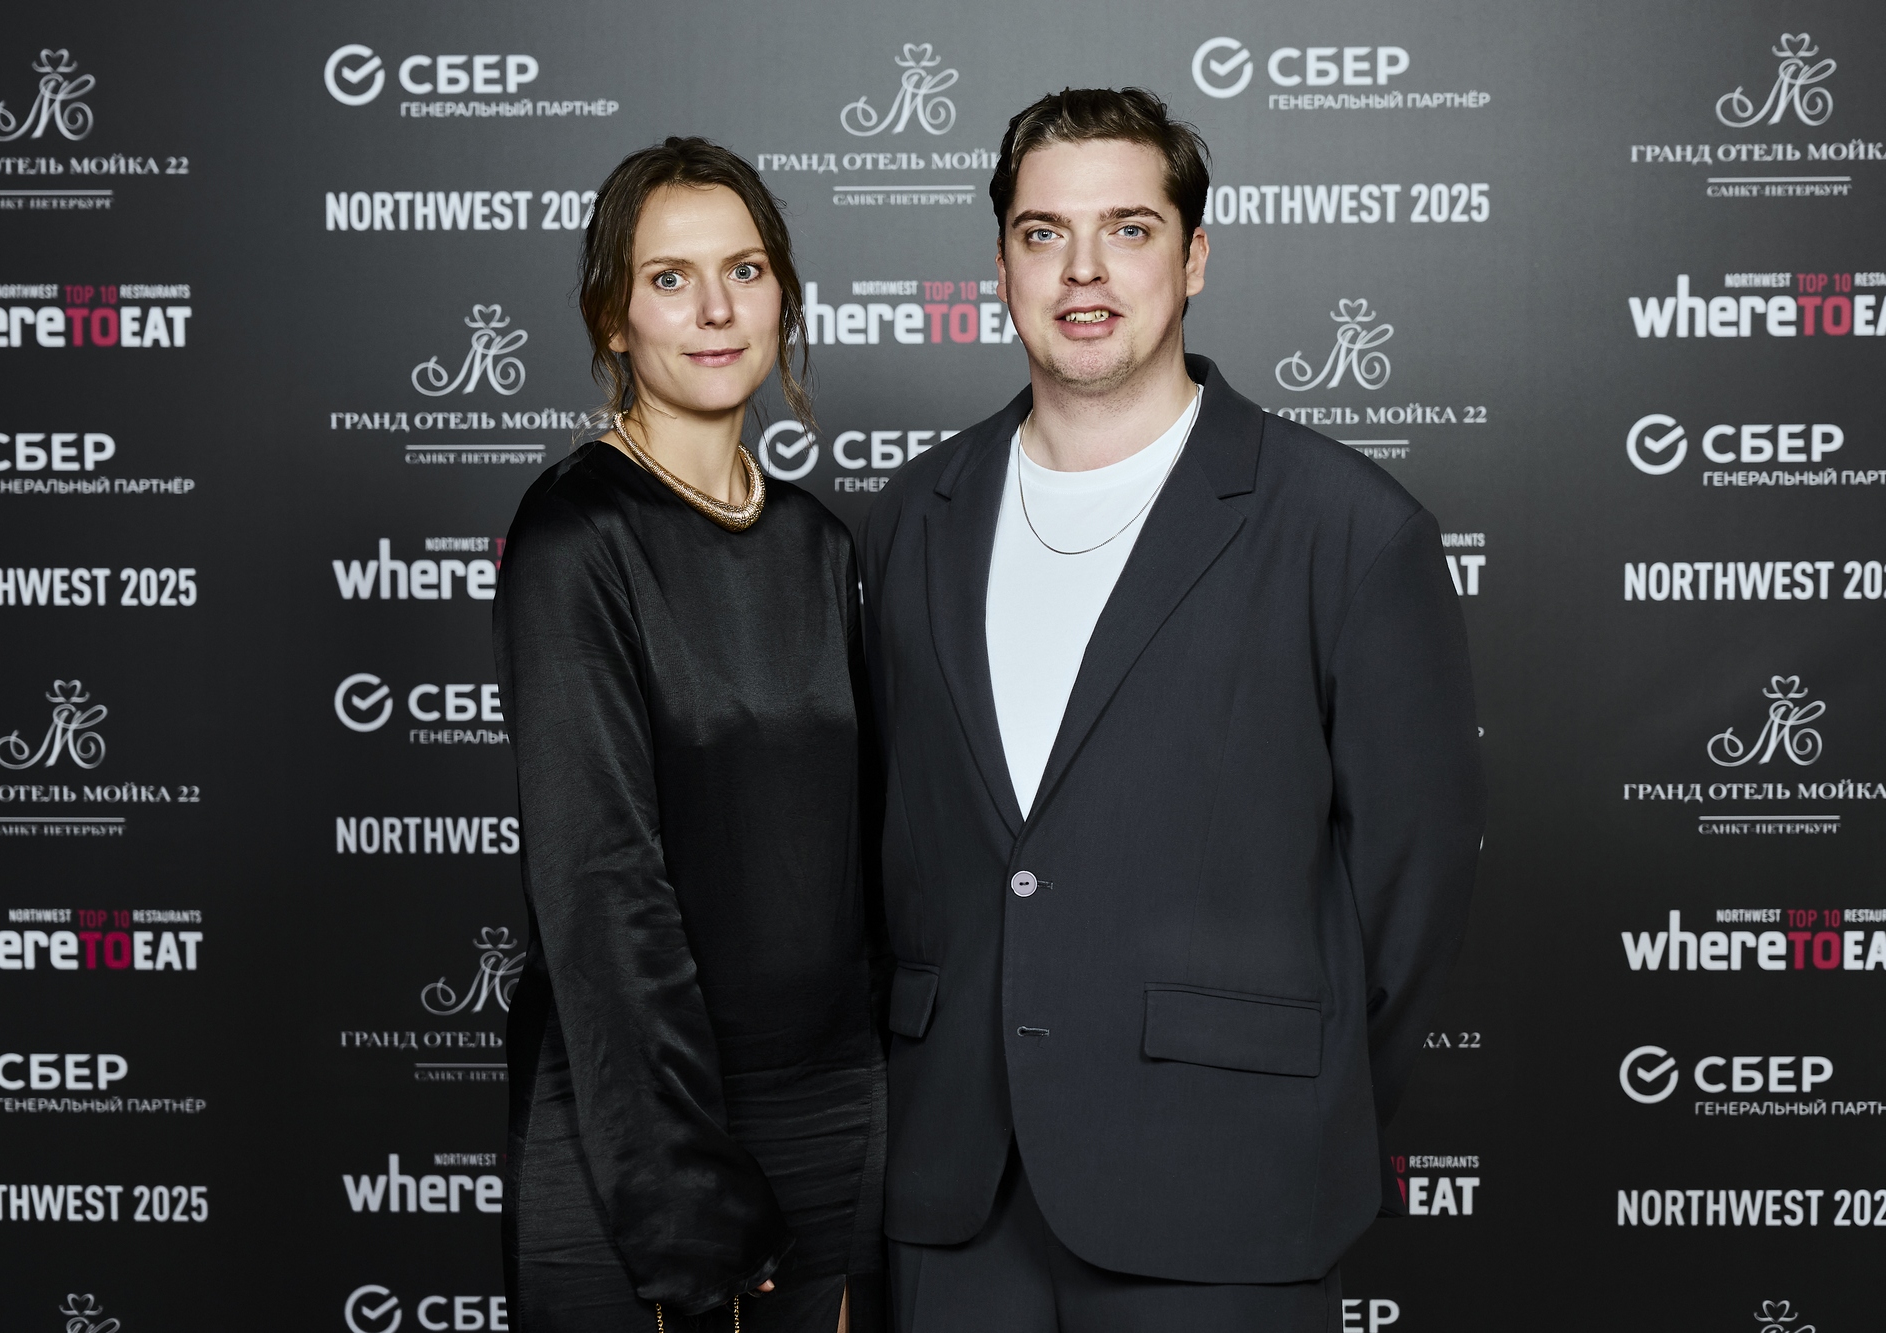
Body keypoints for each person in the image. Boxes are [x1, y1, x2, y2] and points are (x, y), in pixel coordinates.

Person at [857, 89, 1484, 1332]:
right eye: (1043, 233)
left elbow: (1409, 894)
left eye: (1128, 229)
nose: (1082, 270)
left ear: (1193, 257)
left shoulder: (1348, 529)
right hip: (956, 1200)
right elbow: (887, 853)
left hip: (1224, 1197)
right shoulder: (909, 517)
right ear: (1001, 264)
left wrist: (1280, 1104)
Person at [494, 137, 889, 1333]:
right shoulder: (576, 536)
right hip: (645, 1133)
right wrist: (681, 1189)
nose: (716, 309)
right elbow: (599, 880)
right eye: (670, 279)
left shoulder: (819, 542)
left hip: (833, 1113)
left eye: (745, 270)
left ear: (782, 297)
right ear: (612, 317)